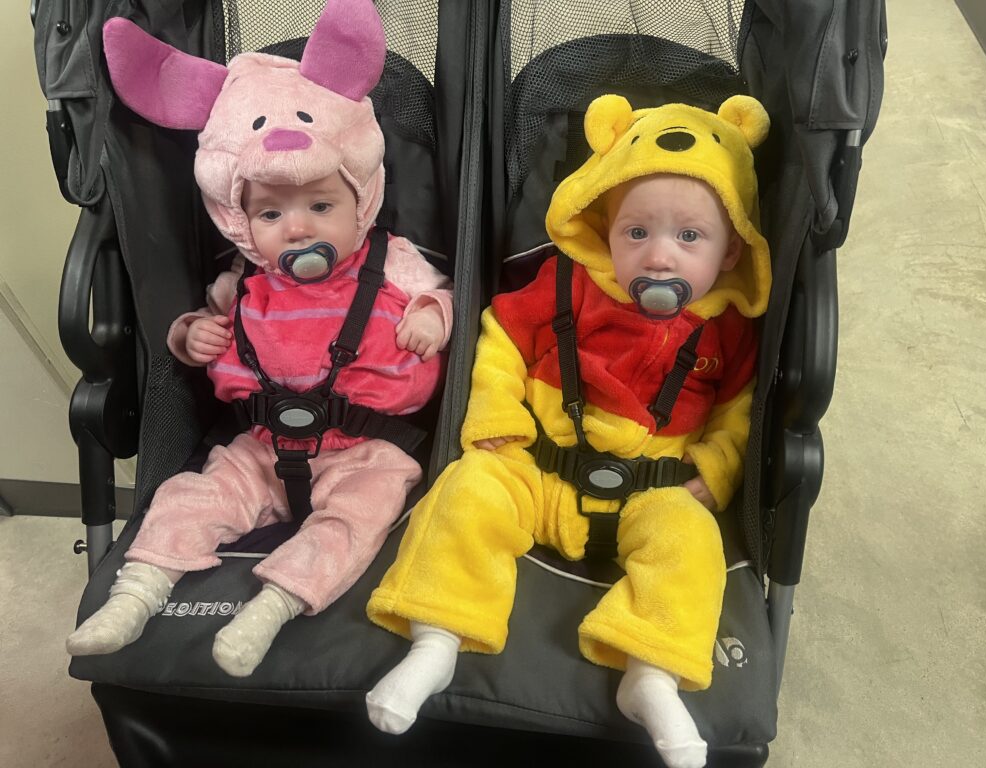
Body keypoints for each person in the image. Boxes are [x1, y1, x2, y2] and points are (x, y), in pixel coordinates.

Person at [364, 93, 772, 768]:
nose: (658, 256)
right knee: (467, 493)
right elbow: (498, 340)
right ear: (605, 229)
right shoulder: (566, 285)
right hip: (539, 464)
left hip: (653, 486)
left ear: (731, 253)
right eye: (636, 232)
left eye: (690, 237)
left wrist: (718, 469)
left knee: (690, 541)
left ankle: (651, 675)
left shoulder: (728, 329)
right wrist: (496, 417)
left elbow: (741, 408)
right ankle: (435, 640)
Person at [66, 0, 453, 678]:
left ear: (359, 200)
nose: (297, 228)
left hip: (365, 445)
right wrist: (194, 338)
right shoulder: (244, 278)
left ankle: (272, 607)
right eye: (272, 213)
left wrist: (430, 319)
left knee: (359, 517)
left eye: (319, 206)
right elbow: (203, 330)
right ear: (239, 221)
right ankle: (137, 593)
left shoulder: (387, 258)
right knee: (187, 497)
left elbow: (438, 297)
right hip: (260, 443)